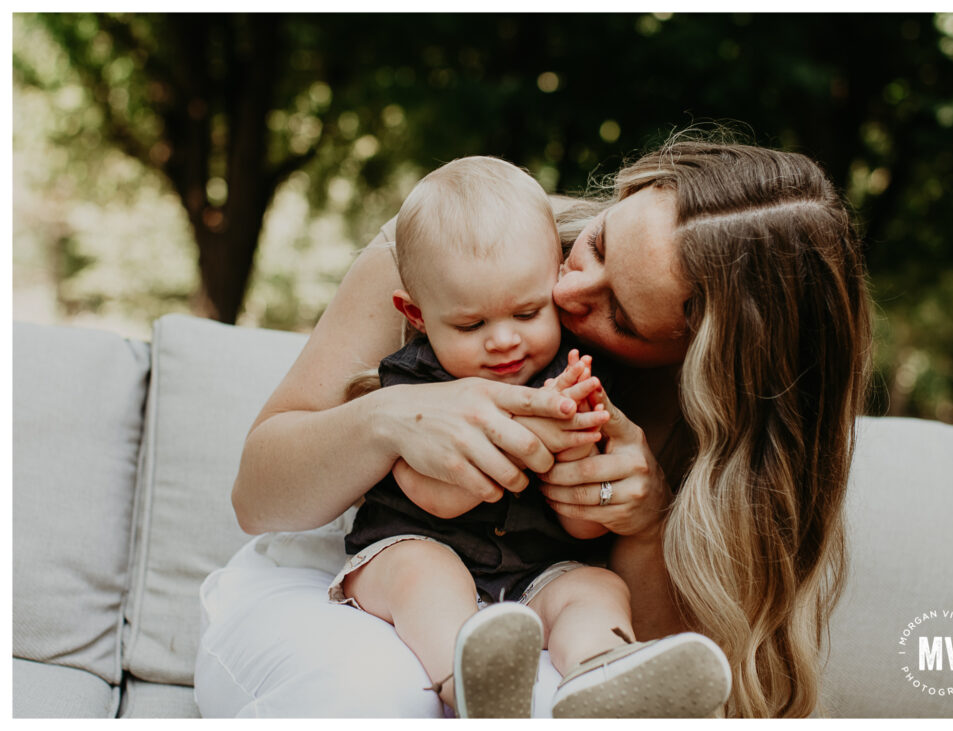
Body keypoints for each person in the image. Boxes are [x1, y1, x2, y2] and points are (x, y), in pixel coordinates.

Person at [196, 130, 871, 718]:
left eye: (623, 318)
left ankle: (589, 666)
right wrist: (389, 418)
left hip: (538, 596)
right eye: (599, 244)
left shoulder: (703, 419)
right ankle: (462, 676)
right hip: (373, 577)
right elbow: (257, 498)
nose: (567, 291)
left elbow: (676, 658)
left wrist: (639, 520)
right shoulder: (463, 248)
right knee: (379, 694)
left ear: (700, 360)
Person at [328, 156, 731, 718]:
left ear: (550, 286)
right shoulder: (417, 376)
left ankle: (601, 671)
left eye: (527, 311)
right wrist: (524, 436)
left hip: (535, 572)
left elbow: (583, 523)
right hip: (415, 545)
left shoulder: (578, 377)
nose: (503, 341)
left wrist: (573, 450)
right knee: (427, 575)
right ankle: (465, 680)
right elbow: (433, 497)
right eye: (472, 326)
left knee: (594, 587)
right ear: (418, 316)